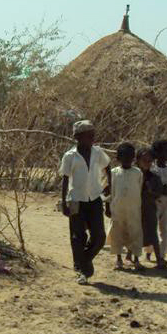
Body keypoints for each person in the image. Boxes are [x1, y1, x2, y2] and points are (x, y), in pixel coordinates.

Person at [59, 120, 111, 285]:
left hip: (94, 198)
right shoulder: (70, 156)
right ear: (78, 137)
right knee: (78, 237)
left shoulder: (97, 152)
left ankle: (84, 261)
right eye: (89, 135)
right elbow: (65, 179)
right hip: (76, 200)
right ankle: (82, 270)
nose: (92, 138)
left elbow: (107, 166)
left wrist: (109, 184)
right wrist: (64, 202)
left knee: (100, 237)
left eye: (93, 135)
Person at [106, 143, 144, 271]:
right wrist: (107, 207)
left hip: (134, 210)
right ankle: (118, 259)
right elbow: (110, 192)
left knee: (135, 233)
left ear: (133, 158)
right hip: (117, 210)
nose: (128, 159)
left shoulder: (138, 173)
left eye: (130, 156)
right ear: (118, 158)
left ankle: (136, 260)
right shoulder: (114, 173)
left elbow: (140, 189)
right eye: (124, 156)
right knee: (117, 233)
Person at [137, 147, 167, 269]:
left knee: (152, 232)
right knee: (135, 231)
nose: (147, 163)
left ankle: (158, 258)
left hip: (149, 207)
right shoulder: (133, 174)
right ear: (138, 160)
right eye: (144, 160)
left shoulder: (154, 177)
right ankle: (132, 257)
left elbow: (159, 192)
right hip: (135, 207)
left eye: (150, 161)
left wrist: (151, 191)